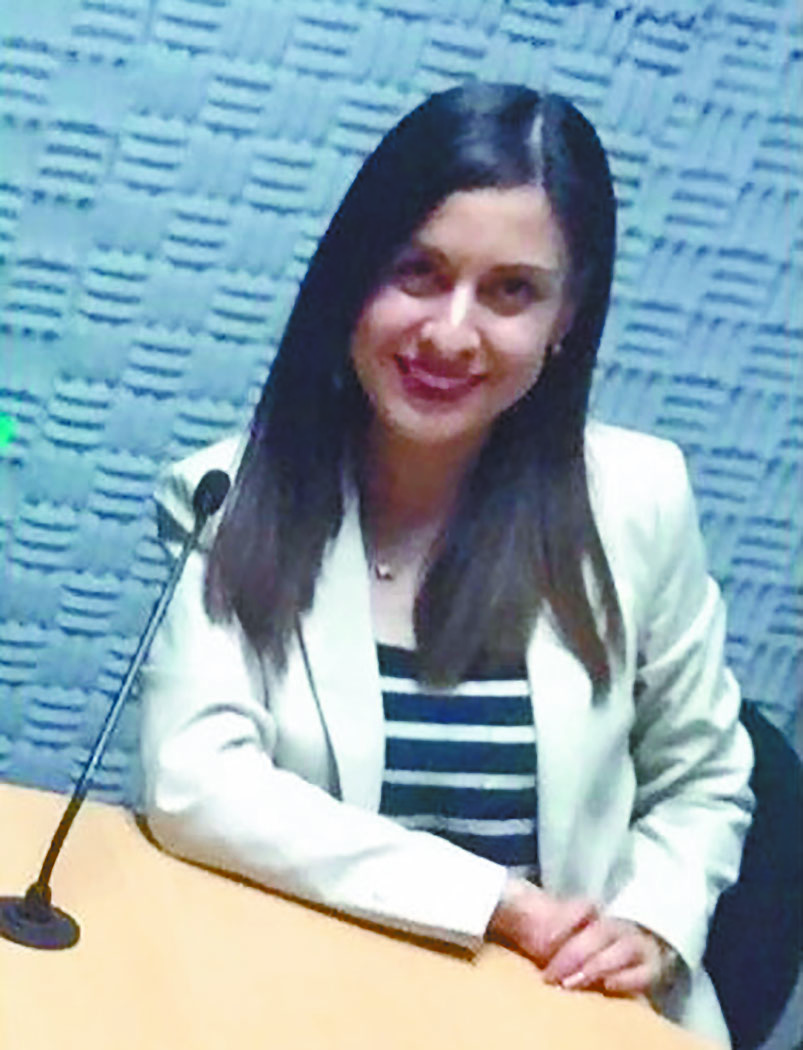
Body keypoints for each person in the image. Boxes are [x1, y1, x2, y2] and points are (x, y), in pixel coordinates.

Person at [139, 82, 753, 1045]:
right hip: (301, 1006)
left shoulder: (639, 498)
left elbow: (703, 778)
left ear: (566, 315)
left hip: (568, 1016)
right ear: (352, 278)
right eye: (417, 272)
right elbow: (195, 783)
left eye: (511, 291)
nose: (451, 333)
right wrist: (497, 904)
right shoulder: (230, 494)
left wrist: (654, 921)